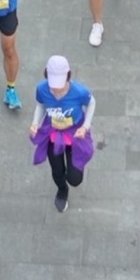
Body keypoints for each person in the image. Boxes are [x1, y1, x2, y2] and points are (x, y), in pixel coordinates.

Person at [30, 53, 95, 213]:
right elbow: (40, 105)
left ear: (68, 76)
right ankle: (62, 190)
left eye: (60, 85)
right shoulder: (42, 89)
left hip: (75, 134)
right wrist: (35, 123)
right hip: (53, 133)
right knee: (57, 171)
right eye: (53, 85)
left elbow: (92, 102)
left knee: (74, 179)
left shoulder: (79, 91)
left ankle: (71, 174)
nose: (56, 90)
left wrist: (86, 126)